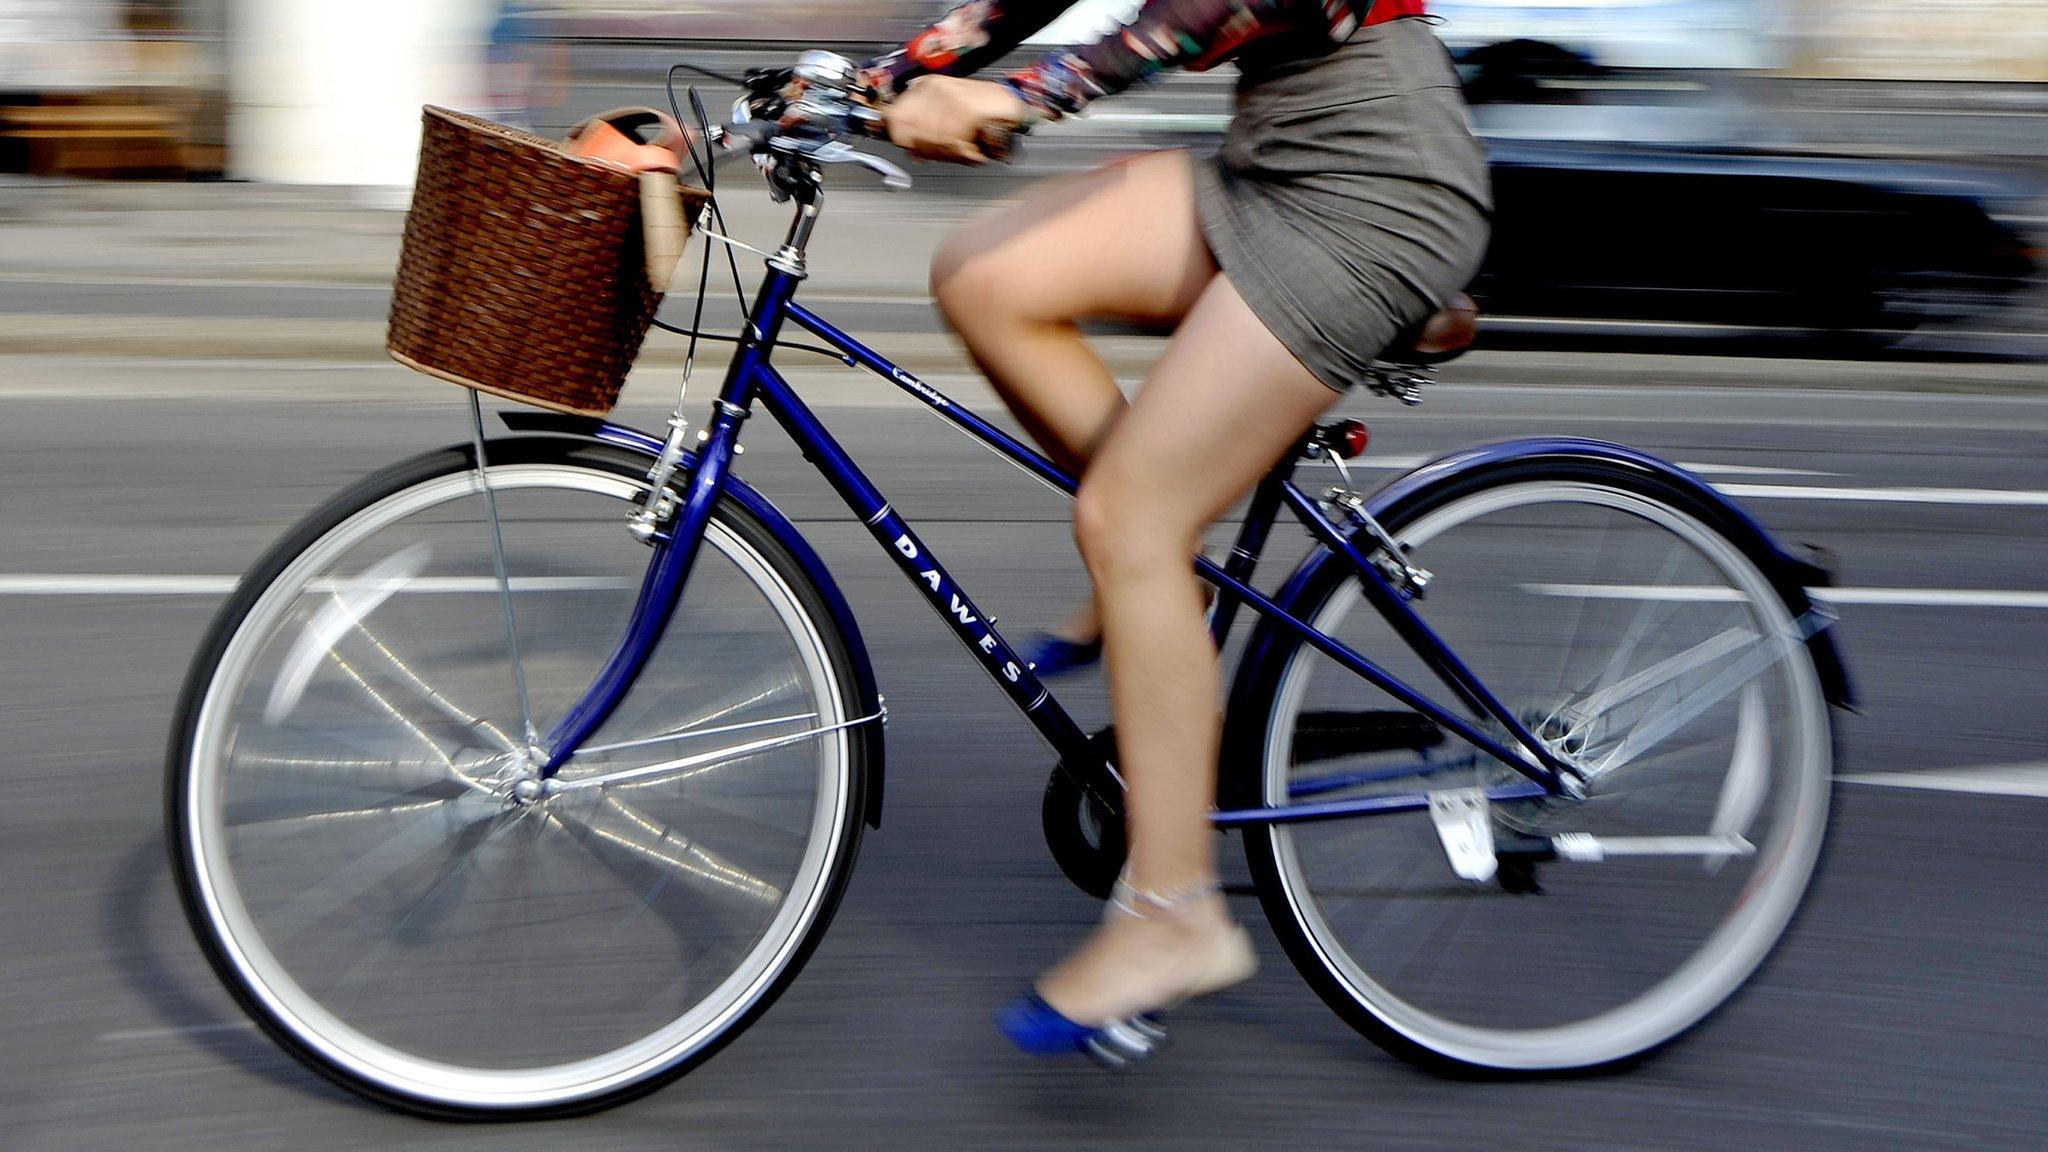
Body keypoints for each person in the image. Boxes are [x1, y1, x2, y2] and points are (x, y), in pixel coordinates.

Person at [865, 0, 1492, 1063]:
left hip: (1374, 191)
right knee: (984, 272)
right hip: (1272, 162)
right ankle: (1165, 592)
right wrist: (867, 82)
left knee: (1128, 521)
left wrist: (1024, 96)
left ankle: (1174, 913)